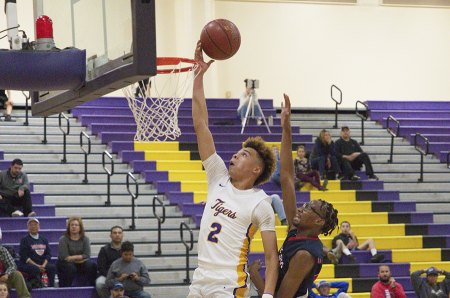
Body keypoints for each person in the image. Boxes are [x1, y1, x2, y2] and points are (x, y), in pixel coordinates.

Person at [188, 41, 279, 298]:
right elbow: (200, 124)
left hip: (229, 284)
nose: (236, 155)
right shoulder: (218, 175)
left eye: (244, 154)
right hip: (200, 279)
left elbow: (272, 257)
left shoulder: (260, 203)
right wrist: (198, 75)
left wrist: (269, 295)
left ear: (256, 170)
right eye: (239, 152)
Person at [249, 94, 339, 298]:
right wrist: (286, 127)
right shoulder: (298, 229)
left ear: (318, 220)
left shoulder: (304, 255)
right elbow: (287, 178)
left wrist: (254, 275)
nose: (301, 208)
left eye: (308, 208)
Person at [56, 216, 97, 287]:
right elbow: (64, 257)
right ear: (68, 227)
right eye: (72, 225)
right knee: (70, 268)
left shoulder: (85, 239)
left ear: (80, 227)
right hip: (65, 263)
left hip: (81, 263)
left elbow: (87, 255)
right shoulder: (63, 239)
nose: (74, 227)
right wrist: (80, 258)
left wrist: (73, 257)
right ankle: (65, 288)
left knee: (92, 265)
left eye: (76, 225)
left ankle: (91, 287)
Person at [18, 217, 56, 288]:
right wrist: (37, 266)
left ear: (39, 226)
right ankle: (39, 286)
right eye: (31, 225)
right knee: (35, 269)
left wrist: (43, 265)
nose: (33, 226)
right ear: (28, 227)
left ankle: (51, 287)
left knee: (52, 267)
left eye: (35, 225)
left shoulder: (44, 239)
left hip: (41, 264)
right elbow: (24, 256)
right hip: (28, 264)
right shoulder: (24, 240)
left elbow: (48, 254)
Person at [97, 226, 124, 298]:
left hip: (124, 276)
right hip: (108, 276)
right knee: (99, 283)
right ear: (110, 235)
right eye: (115, 233)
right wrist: (112, 277)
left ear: (122, 235)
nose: (117, 235)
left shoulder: (127, 249)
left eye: (119, 233)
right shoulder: (104, 249)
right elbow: (101, 268)